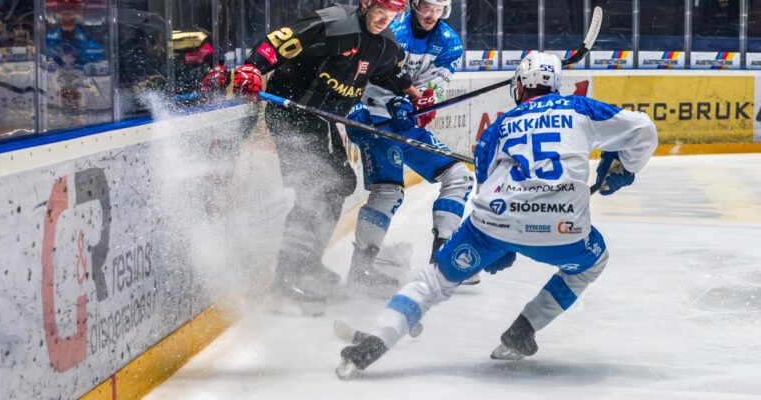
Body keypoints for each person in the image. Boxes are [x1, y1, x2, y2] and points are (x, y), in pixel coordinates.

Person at [336, 52, 658, 376]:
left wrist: (499, 244)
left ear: (519, 85)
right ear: (556, 86)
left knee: (433, 282)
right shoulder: (580, 108)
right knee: (592, 262)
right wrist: (624, 168)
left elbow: (484, 182)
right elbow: (643, 130)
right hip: (564, 227)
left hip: (493, 224)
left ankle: (374, 343)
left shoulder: (500, 126)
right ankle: (523, 330)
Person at [232, 0, 415, 316]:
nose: (386, 18)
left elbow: (393, 75)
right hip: (292, 110)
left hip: (321, 117)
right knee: (321, 186)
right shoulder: (336, 22)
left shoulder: (386, 44)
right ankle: (285, 282)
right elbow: (282, 38)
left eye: (394, 12)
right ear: (366, 4)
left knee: (338, 183)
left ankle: (306, 265)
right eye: (381, 9)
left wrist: (411, 96)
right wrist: (253, 67)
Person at [343, 0, 479, 295]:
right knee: (389, 191)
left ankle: (442, 262)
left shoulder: (449, 43)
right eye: (427, 6)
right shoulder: (390, 26)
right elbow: (357, 72)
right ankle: (361, 268)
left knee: (460, 176)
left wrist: (425, 103)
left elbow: (430, 92)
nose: (432, 15)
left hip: (405, 125)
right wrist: (352, 105)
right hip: (373, 121)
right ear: (415, 4)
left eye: (439, 9)